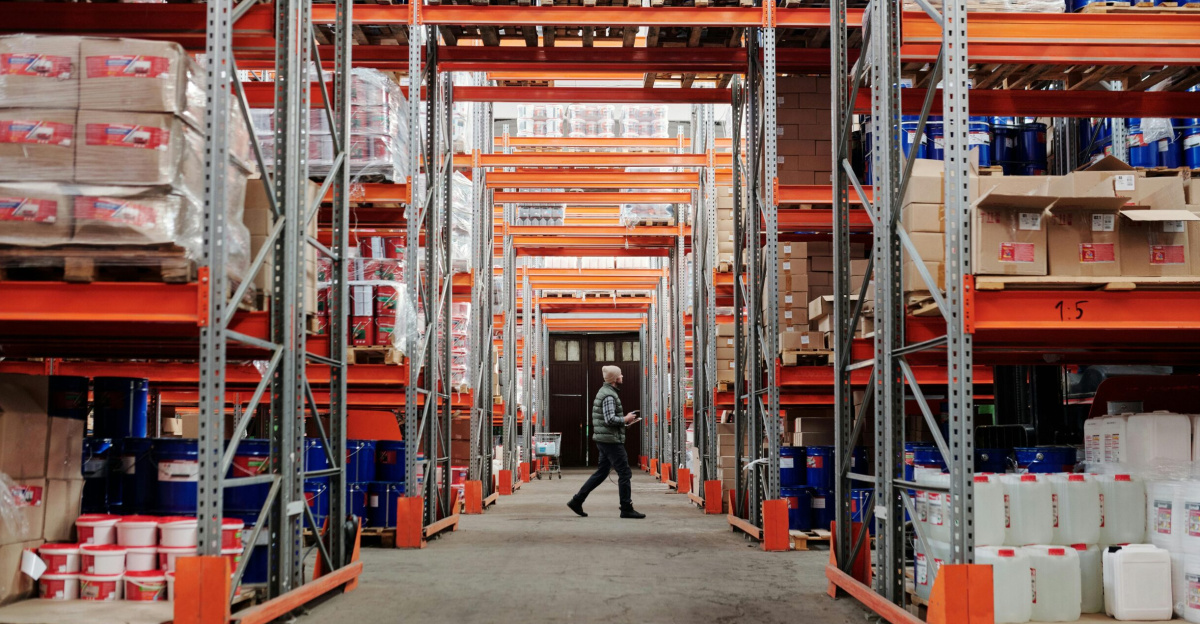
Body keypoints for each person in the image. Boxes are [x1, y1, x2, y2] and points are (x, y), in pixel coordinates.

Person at [567, 365, 645, 519]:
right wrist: (625, 419)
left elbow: (607, 419)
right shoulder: (609, 395)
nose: (622, 376)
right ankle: (626, 508)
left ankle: (577, 500)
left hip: (606, 439)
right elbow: (609, 420)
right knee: (624, 472)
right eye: (620, 374)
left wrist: (626, 421)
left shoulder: (607, 393)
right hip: (610, 441)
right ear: (615, 378)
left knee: (602, 472)